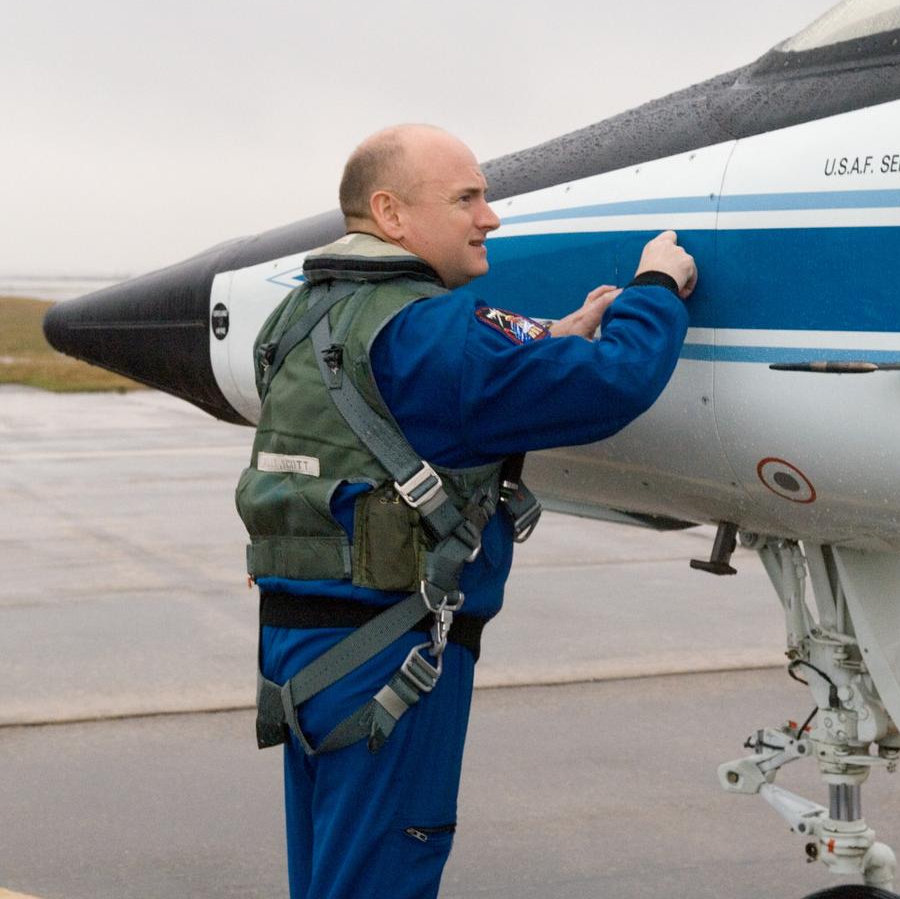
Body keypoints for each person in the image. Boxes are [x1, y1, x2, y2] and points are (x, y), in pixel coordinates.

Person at [236, 123, 696, 899]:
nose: (490, 218)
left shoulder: (300, 320)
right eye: (467, 198)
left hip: (301, 654)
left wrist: (552, 338)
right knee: (384, 877)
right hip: (391, 660)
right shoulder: (431, 331)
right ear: (391, 213)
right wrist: (656, 288)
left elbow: (408, 404)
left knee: (330, 881)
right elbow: (614, 382)